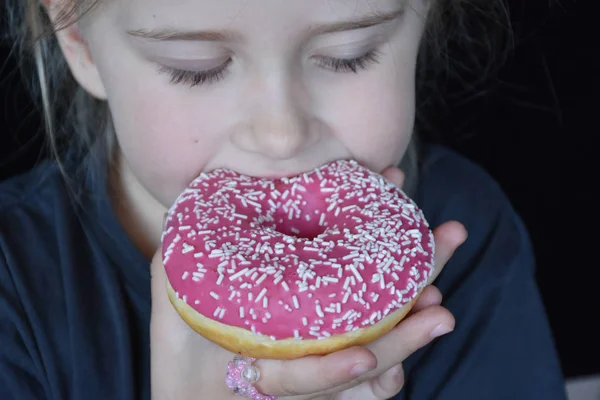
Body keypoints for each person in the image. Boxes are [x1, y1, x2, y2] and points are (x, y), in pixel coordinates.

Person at [0, 0, 568, 399]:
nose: (281, 134)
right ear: (79, 44)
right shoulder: (15, 287)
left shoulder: (465, 234)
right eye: (196, 69)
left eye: (350, 54)